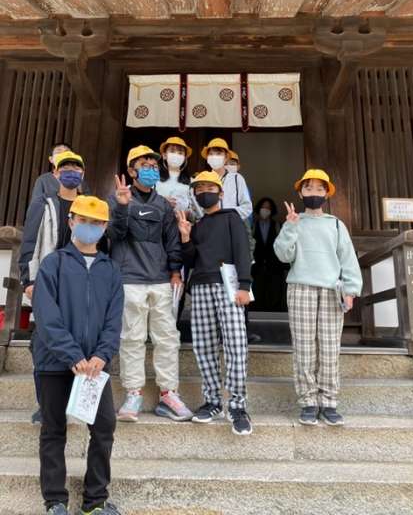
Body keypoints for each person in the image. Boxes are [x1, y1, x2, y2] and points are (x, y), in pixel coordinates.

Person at [31, 195, 124, 515]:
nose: (89, 227)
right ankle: (55, 501)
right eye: (83, 220)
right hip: (54, 362)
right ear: (71, 222)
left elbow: (114, 320)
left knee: (104, 427)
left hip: (94, 368)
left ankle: (95, 501)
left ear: (105, 228)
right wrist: (72, 355)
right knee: (53, 430)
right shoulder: (53, 264)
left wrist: (102, 355)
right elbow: (46, 316)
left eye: (96, 223)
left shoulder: (111, 270)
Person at [108, 144, 192, 423]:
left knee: (167, 337)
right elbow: (114, 235)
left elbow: (172, 242)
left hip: (160, 280)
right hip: (129, 278)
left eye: (154, 166)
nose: (151, 169)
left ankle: (169, 394)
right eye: (144, 166)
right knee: (131, 338)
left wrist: (175, 271)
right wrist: (121, 206)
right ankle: (133, 393)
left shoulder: (163, 205)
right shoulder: (118, 199)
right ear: (131, 171)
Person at [273, 169, 362, 427]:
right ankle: (309, 402)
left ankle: (329, 402)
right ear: (300, 193)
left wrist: (351, 289)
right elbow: (283, 255)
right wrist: (290, 226)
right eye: (308, 188)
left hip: (332, 290)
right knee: (304, 347)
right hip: (300, 287)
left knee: (330, 347)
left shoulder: (335, 224)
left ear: (327, 194)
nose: (314, 193)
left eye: (319, 189)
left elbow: (348, 258)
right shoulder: (294, 221)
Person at [177, 171, 253, 436]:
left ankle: (238, 406)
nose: (204, 193)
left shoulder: (232, 218)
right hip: (200, 286)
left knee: (235, 344)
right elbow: (190, 260)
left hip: (228, 286)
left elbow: (243, 250)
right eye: (199, 189)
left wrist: (245, 285)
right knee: (203, 345)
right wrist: (185, 238)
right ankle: (212, 401)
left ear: (221, 193)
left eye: (210, 188)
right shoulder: (197, 225)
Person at [19, 150, 86, 425]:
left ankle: (72, 402)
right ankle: (44, 405)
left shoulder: (87, 205)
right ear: (56, 173)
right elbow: (29, 242)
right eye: (65, 167)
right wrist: (28, 280)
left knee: (78, 342)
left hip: (78, 284)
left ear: (83, 174)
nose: (71, 172)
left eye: (76, 168)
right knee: (43, 343)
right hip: (48, 282)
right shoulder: (43, 203)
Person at [200, 138, 252, 221]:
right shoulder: (201, 179)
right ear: (207, 158)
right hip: (208, 224)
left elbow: (247, 207)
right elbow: (197, 208)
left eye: (218, 154)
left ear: (226, 157)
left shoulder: (237, 178)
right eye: (211, 154)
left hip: (231, 224)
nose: (214, 157)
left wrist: (226, 216)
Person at [252, 197, 287, 312]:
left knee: (275, 291)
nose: (265, 210)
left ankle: (274, 312)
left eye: (268, 208)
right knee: (257, 291)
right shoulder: (253, 226)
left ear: (272, 211)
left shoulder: (277, 225)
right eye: (263, 207)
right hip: (257, 266)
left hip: (274, 266)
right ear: (259, 209)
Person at [156, 136, 194, 214]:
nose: (176, 155)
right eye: (172, 151)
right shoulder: (154, 178)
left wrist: (187, 213)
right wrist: (161, 201)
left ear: (185, 158)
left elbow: (196, 211)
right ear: (164, 155)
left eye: (180, 153)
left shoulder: (192, 182)